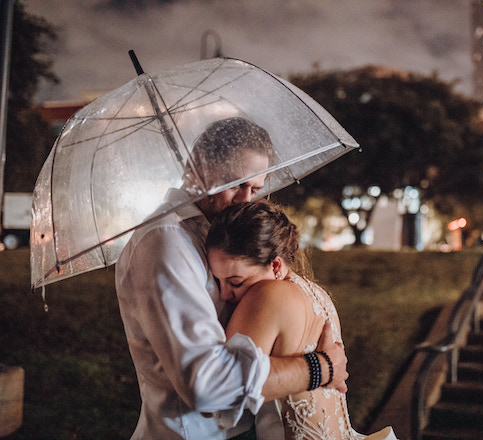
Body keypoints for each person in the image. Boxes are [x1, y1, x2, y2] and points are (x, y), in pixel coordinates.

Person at [115, 117, 348, 440]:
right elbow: (207, 386)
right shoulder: (166, 243)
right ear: (198, 167)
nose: (245, 200)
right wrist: (318, 368)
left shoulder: (216, 233)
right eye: (237, 184)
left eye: (255, 188)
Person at [206, 200, 398, 440]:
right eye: (217, 282)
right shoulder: (318, 294)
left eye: (235, 282)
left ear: (275, 265)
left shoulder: (266, 294)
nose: (225, 294)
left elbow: (219, 396)